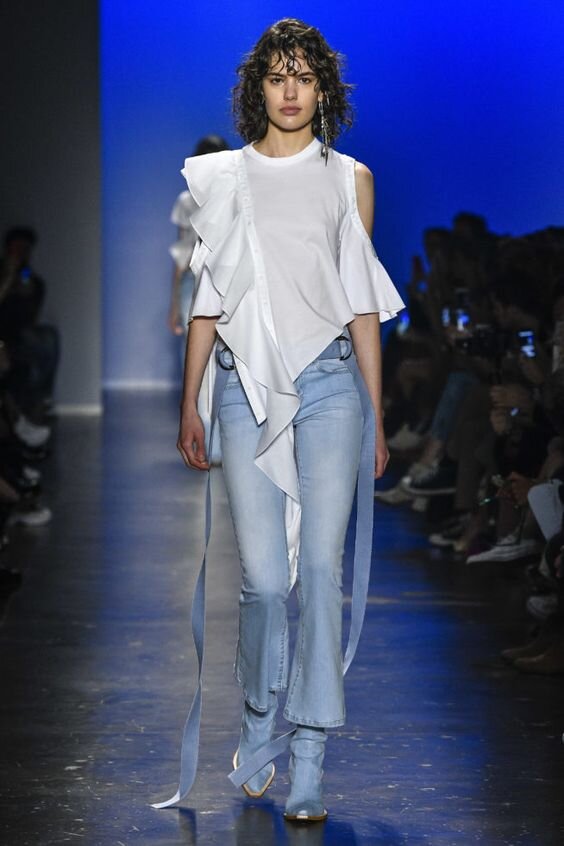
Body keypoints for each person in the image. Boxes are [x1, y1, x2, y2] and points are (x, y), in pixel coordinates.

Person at [156, 18, 404, 822]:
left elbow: (359, 303)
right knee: (264, 581)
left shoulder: (350, 180)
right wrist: (191, 403)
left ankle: (310, 755)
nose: (290, 91)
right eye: (276, 76)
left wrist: (377, 413)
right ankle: (259, 717)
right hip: (243, 388)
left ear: (323, 88)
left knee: (322, 570)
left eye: (304, 76)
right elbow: (208, 300)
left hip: (331, 386)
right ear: (255, 88)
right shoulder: (226, 179)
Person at [168, 135, 230, 368]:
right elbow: (182, 252)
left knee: (224, 343)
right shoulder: (186, 201)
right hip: (192, 278)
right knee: (191, 342)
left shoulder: (234, 197)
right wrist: (174, 305)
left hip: (224, 278)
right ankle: (192, 392)